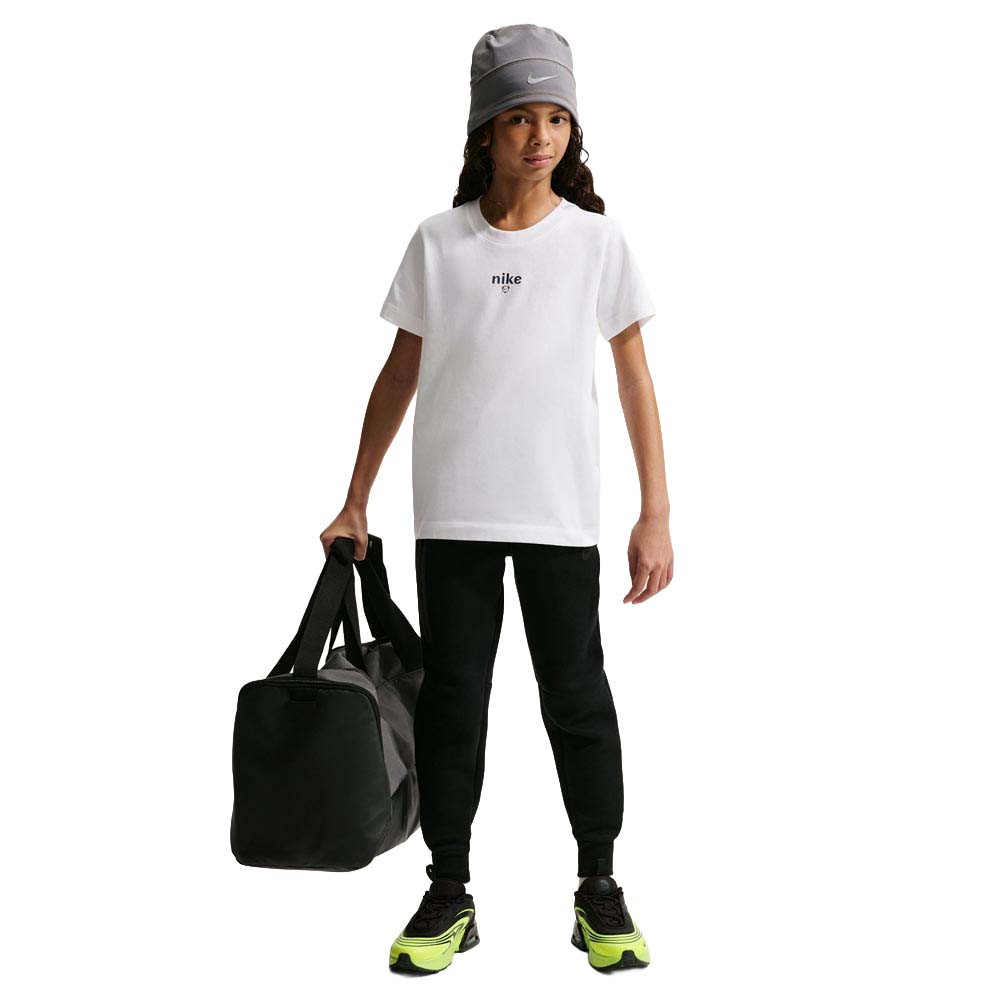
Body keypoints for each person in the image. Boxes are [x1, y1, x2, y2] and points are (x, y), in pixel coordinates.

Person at [320, 24, 673, 975]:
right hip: (455, 515)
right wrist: (356, 498)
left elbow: (635, 378)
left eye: (556, 118)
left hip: (558, 514)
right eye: (520, 117)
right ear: (485, 129)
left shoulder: (596, 243)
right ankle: (448, 890)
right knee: (453, 707)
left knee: (579, 701)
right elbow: (399, 374)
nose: (540, 136)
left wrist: (655, 512)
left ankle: (598, 886)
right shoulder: (439, 243)